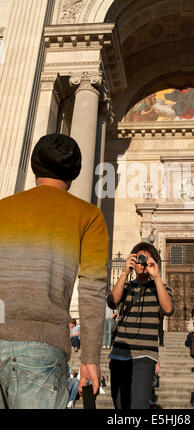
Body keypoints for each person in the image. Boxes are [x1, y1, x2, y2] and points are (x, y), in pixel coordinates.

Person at [0, 133, 109, 409]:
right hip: (41, 349)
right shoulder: (89, 215)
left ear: (36, 165)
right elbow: (92, 289)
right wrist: (90, 358)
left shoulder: (3, 208)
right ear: (75, 172)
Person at [107, 242, 174, 409]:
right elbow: (112, 301)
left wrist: (156, 276)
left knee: (138, 405)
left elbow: (168, 309)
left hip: (145, 355)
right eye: (139, 259)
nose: (142, 264)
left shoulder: (162, 288)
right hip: (119, 354)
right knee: (120, 405)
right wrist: (124, 273)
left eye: (146, 260)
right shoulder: (126, 286)